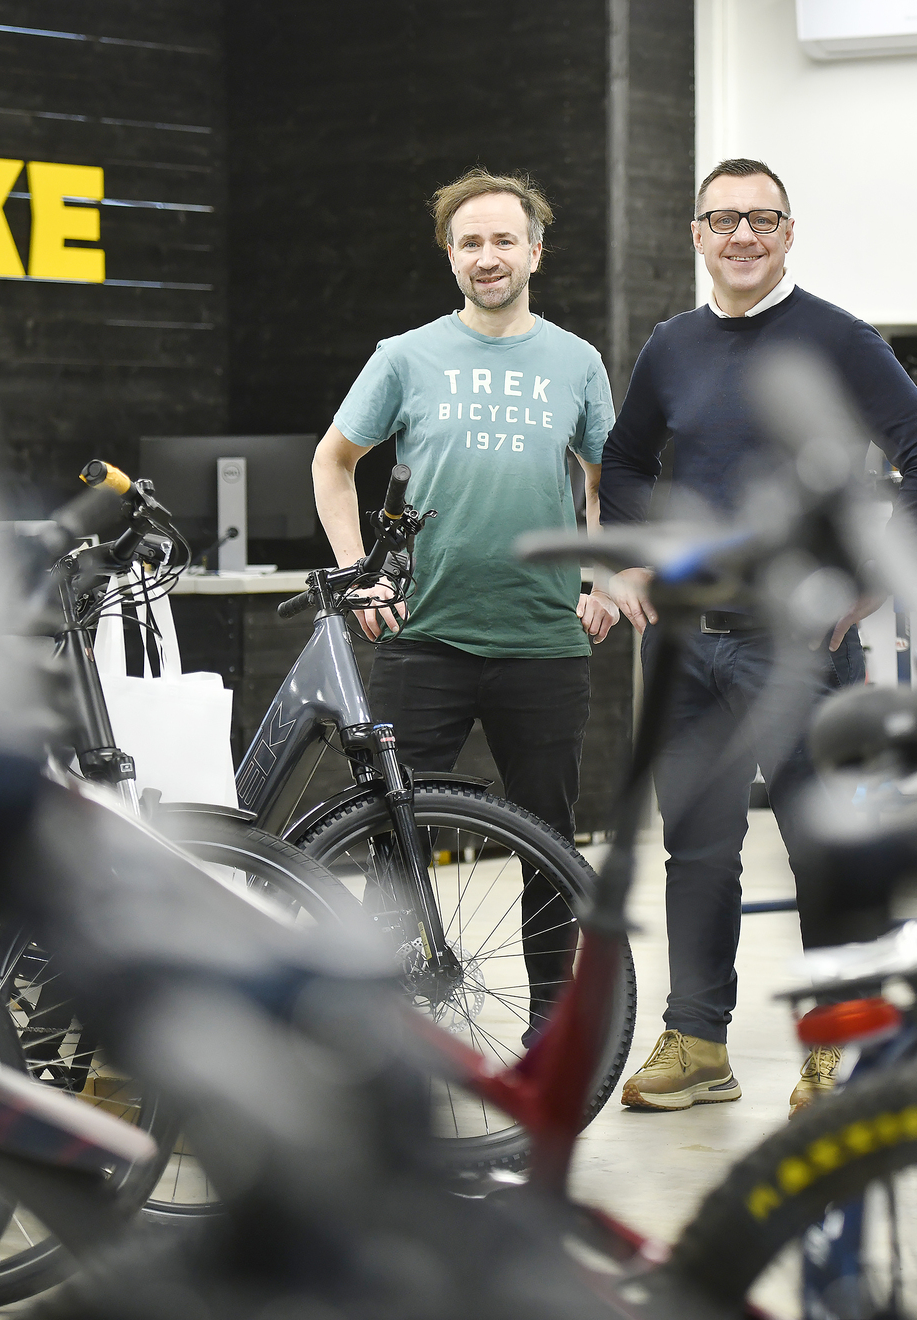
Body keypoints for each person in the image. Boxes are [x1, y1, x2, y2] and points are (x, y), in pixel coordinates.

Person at [598, 158, 917, 1117]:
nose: (742, 236)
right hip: (684, 644)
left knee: (823, 849)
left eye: (762, 219)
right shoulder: (672, 346)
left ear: (789, 233)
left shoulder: (836, 340)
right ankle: (697, 1042)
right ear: (697, 235)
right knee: (697, 851)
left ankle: (840, 1045)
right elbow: (625, 461)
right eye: (723, 219)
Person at [313, 167, 620, 1040]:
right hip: (424, 639)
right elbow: (333, 461)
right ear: (450, 255)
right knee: (392, 843)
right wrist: (359, 570)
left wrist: (603, 578)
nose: (489, 256)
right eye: (471, 242)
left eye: (504, 240)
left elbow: (607, 478)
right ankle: (377, 1036)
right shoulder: (404, 356)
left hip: (543, 643)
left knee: (549, 849)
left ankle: (551, 1035)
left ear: (535, 251)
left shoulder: (576, 361)